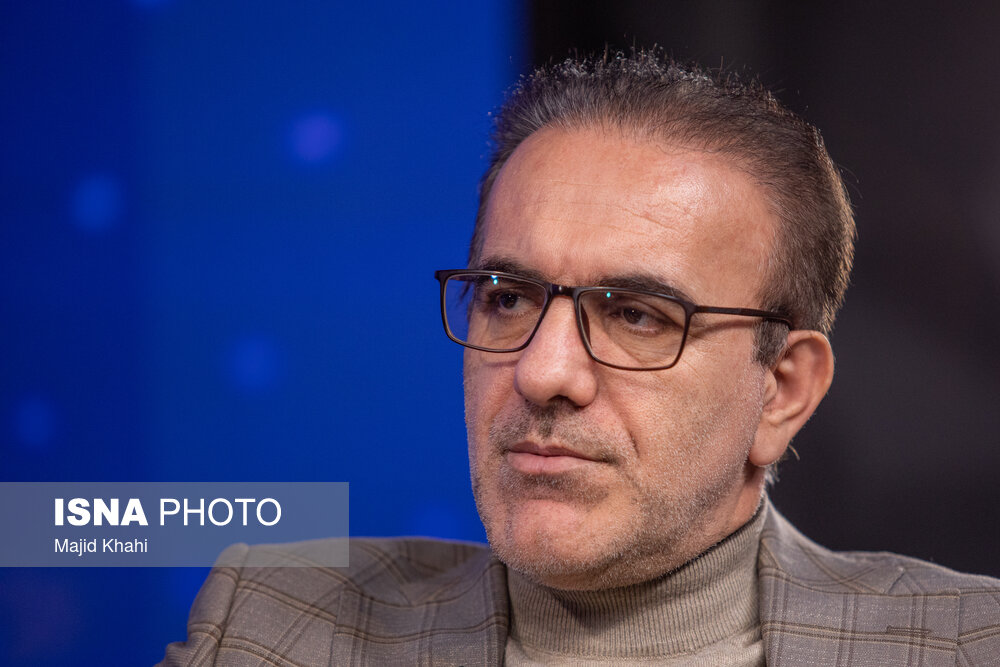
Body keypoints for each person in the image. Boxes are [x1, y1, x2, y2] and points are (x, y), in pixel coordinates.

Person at [161, 51, 1000, 666]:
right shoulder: (275, 623)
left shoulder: (967, 644)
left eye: (636, 315)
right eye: (508, 298)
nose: (543, 372)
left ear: (782, 389)